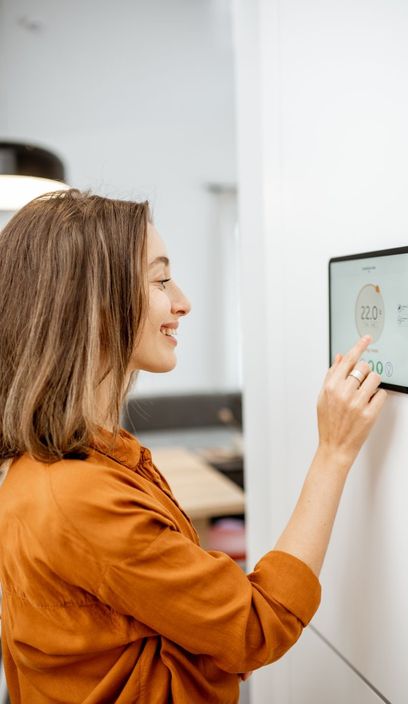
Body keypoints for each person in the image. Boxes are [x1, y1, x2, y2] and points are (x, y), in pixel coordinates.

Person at [0, 189, 387, 704]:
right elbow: (255, 625)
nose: (182, 301)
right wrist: (333, 453)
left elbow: (166, 619)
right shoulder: (77, 496)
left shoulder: (80, 460)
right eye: (160, 280)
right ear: (90, 304)